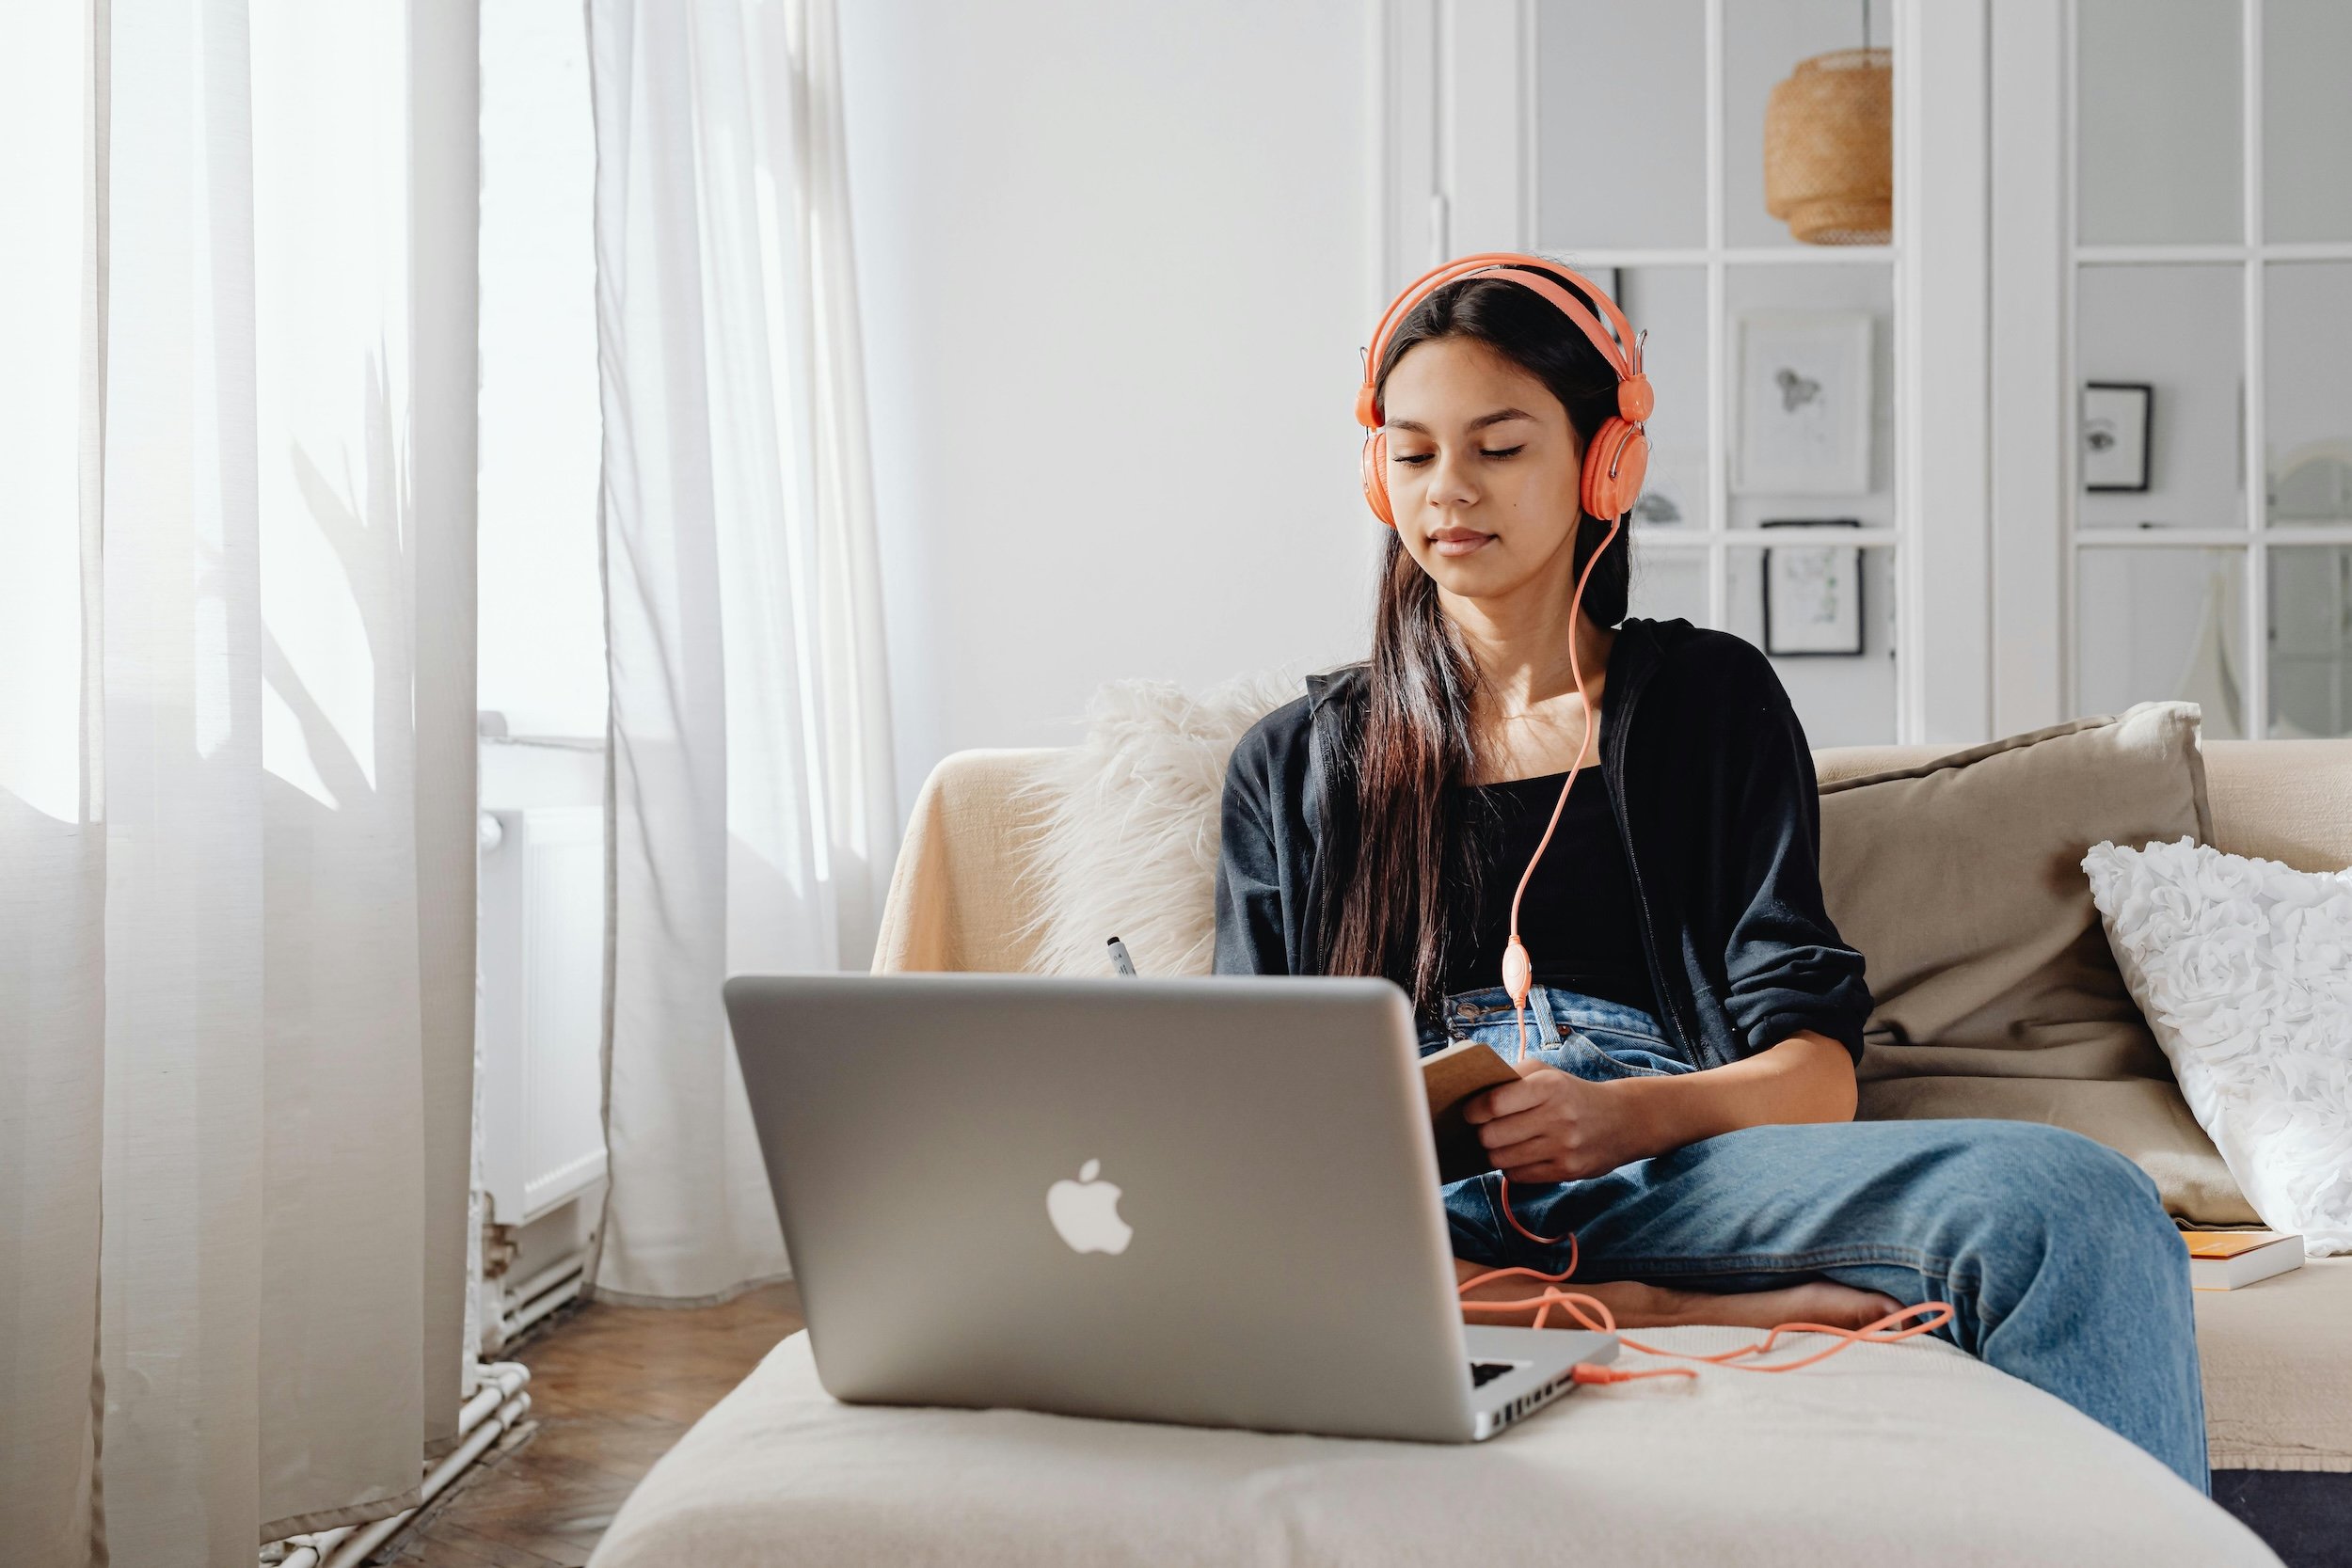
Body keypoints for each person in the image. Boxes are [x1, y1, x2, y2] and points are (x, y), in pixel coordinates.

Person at [1212, 254, 2209, 1492]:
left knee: (2077, 1205)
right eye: (1412, 455)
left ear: (1602, 466)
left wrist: (1618, 1116)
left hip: (1683, 1162)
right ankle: (1633, 1309)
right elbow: (1248, 1137)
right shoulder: (1294, 765)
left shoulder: (1707, 701)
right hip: (1415, 1213)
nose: (1448, 491)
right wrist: (1643, 1306)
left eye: (1499, 447)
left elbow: (1815, 1075)